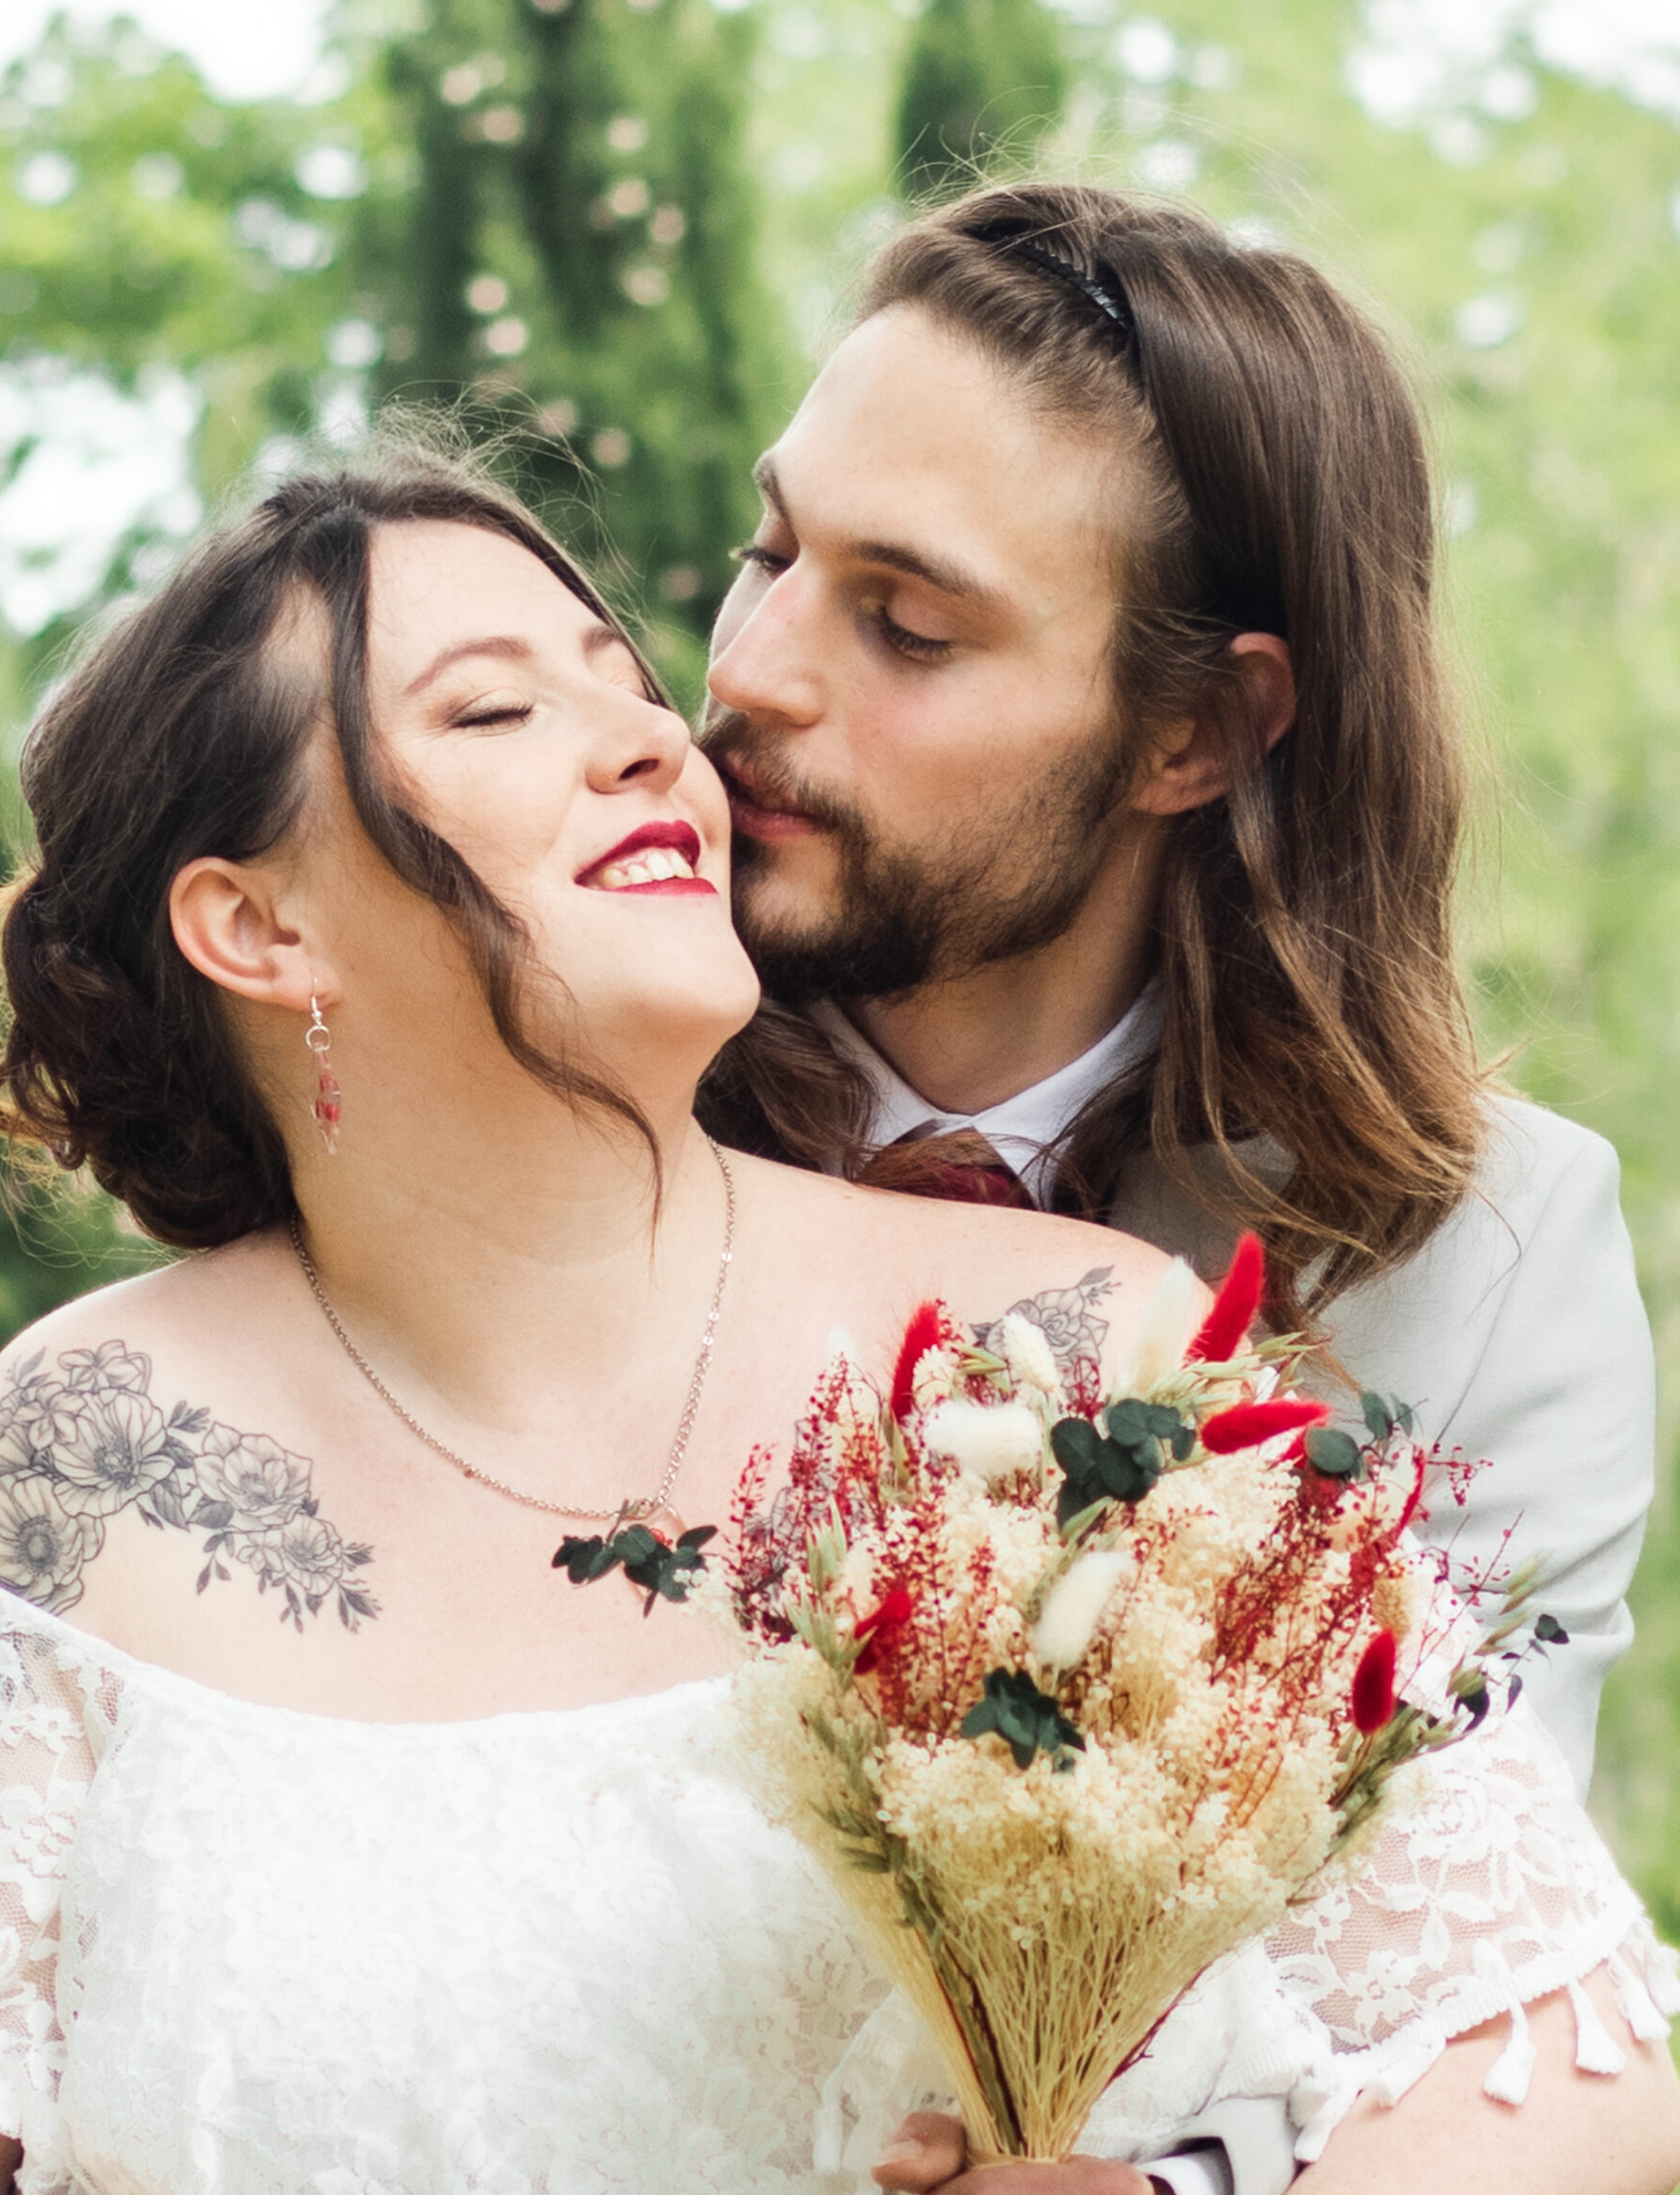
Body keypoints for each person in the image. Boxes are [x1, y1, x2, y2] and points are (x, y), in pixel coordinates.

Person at [0, 441, 1672, 2195]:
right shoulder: (89, 1442)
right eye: (494, 709)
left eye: (622, 681)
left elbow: (1576, 2065)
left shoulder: (1077, 1370)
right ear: (260, 927)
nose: (646, 743)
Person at [699, 180, 1654, 1813]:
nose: (748, 670)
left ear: (1195, 734)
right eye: (767, 549)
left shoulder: (1483, 1261)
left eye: (908, 627)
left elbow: (1472, 1974)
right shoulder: (554, 1101)